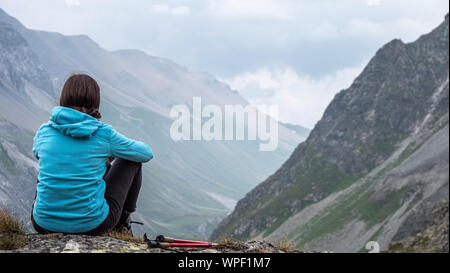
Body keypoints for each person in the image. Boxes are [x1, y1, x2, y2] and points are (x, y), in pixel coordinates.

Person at [31, 73, 154, 235]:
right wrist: (110, 153)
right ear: (95, 102)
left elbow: (37, 154)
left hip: (42, 223)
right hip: (91, 225)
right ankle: (124, 222)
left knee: (50, 163)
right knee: (131, 160)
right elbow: (146, 153)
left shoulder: (44, 131)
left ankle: (52, 213)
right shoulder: (103, 134)